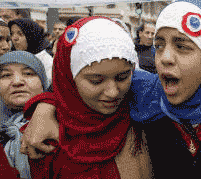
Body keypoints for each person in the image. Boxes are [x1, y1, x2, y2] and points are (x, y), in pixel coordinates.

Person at [21, 0, 201, 178]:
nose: (165, 58)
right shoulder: (147, 94)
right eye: (159, 45)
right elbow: (73, 85)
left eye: (182, 46)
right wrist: (45, 107)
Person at [21, 17, 152, 179]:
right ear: (68, 78)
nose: (113, 92)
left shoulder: (145, 112)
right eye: (96, 81)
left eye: (122, 77)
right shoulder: (42, 140)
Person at [0, 51, 49, 179]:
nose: (17, 82)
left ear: (43, 81)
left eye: (28, 73)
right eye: (5, 75)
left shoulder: (59, 126)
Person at [8, 18, 53, 87]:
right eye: (12, 34)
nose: (14, 38)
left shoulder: (45, 59)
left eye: (20, 34)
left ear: (31, 35)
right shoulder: (12, 57)